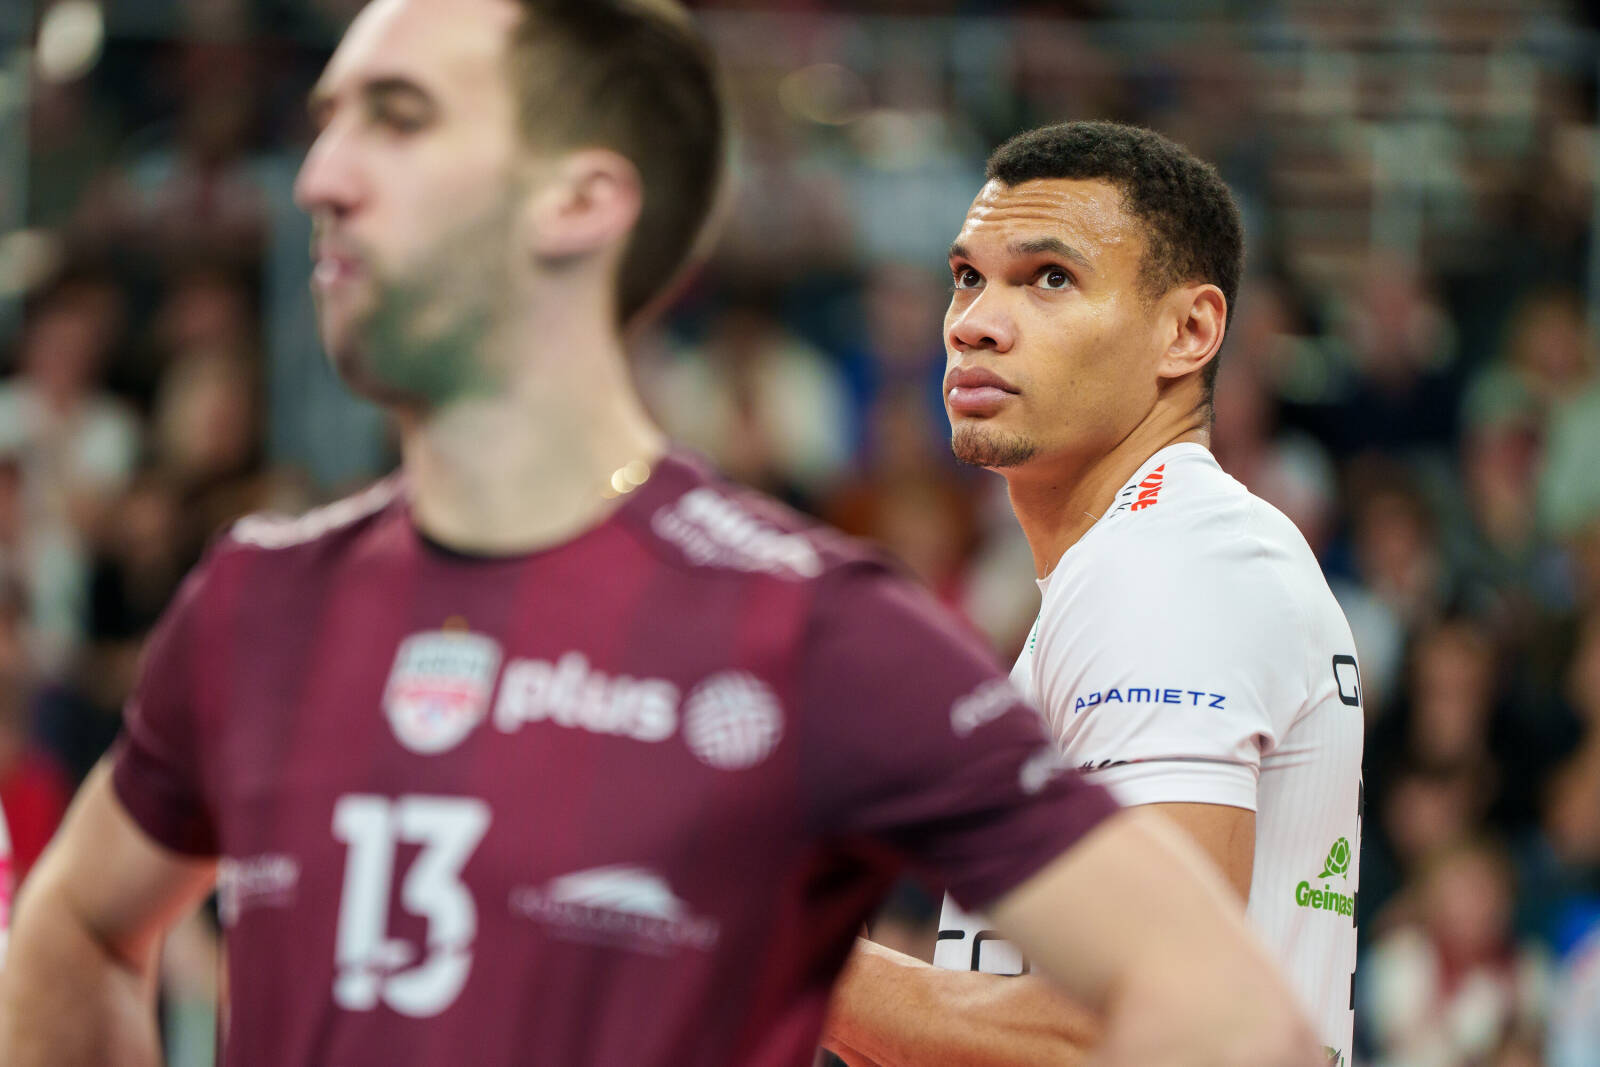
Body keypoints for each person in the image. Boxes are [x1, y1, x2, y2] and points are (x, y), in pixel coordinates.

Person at [0, 6, 1322, 1066]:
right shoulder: (256, 595)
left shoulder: (815, 626)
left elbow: (1216, 1016)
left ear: (581, 199)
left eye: (397, 118)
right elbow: (74, 934)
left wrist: (784, 955)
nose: (321, 177)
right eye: (328, 120)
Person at [823, 122, 1365, 1066]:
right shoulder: (1141, 560)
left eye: (1049, 278)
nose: (975, 322)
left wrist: (782, 955)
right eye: (968, 276)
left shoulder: (1173, 566)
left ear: (1189, 331)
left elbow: (1154, 1023)